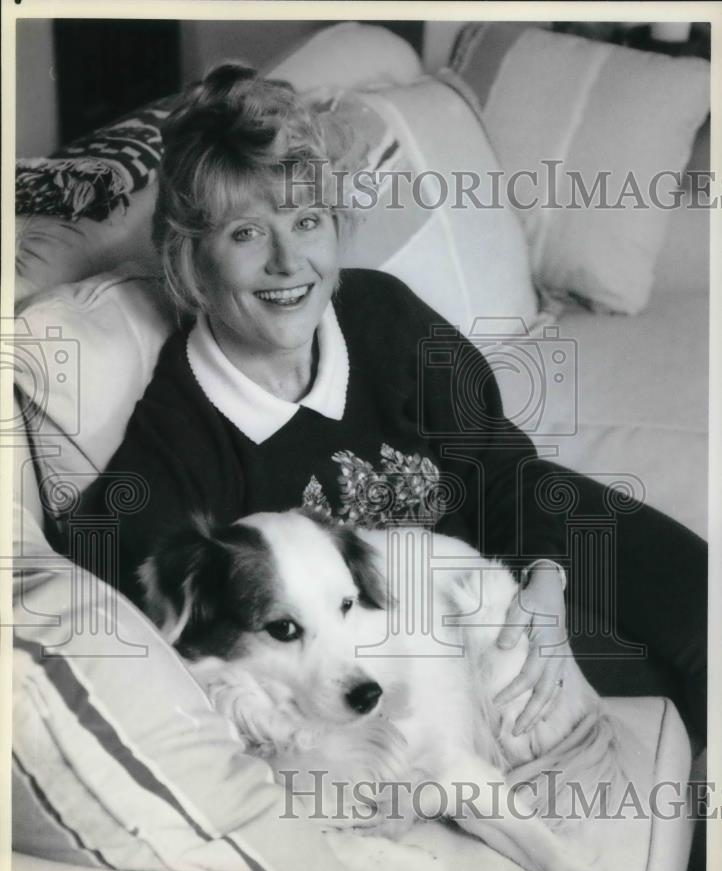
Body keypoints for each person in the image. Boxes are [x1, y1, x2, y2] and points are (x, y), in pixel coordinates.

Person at [75, 62, 706, 748]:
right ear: (190, 258)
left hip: (523, 538)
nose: (289, 262)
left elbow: (501, 464)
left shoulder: (382, 312)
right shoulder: (181, 431)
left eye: (307, 220)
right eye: (246, 233)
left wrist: (545, 586)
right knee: (653, 709)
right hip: (445, 638)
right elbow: (110, 596)